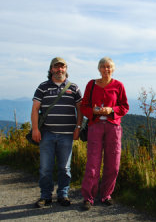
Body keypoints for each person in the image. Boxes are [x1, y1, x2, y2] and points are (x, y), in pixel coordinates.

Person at [31, 57, 83, 208]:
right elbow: (35, 109)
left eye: (63, 67)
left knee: (65, 168)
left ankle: (63, 195)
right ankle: (45, 196)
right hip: (46, 133)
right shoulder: (43, 87)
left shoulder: (74, 87)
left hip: (67, 134)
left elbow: (80, 109)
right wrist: (35, 129)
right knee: (45, 168)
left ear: (66, 69)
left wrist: (78, 128)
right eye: (56, 67)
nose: (60, 70)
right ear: (51, 69)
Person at [80, 57, 129, 210]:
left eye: (109, 67)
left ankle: (106, 195)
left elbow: (125, 107)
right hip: (95, 126)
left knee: (113, 164)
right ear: (99, 69)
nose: (106, 69)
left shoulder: (118, 85)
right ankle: (88, 197)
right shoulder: (91, 84)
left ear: (113, 69)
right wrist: (93, 111)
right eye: (103, 67)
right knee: (93, 163)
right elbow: (84, 106)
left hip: (113, 127)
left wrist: (112, 110)